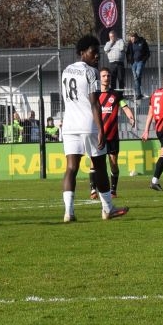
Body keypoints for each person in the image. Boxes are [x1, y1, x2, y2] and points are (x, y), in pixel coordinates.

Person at [56, 34, 125, 224]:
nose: (97, 56)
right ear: (82, 52)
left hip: (69, 124)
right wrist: (101, 128)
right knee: (100, 166)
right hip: (88, 124)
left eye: (97, 53)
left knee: (71, 168)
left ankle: (68, 212)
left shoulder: (66, 71)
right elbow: (95, 103)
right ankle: (108, 208)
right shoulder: (91, 72)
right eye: (93, 52)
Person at [94, 68, 124, 198]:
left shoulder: (116, 95)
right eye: (104, 76)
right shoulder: (94, 94)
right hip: (98, 134)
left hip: (112, 135)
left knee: (113, 163)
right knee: (94, 161)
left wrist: (130, 116)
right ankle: (93, 190)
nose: (106, 78)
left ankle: (113, 190)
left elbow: (124, 105)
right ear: (100, 78)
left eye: (108, 75)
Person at [129, 33, 150, 98]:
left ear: (136, 38)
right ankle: (139, 94)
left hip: (140, 62)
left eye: (133, 39)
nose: (132, 40)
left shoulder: (143, 42)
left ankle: (138, 93)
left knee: (137, 76)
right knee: (136, 78)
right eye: (131, 39)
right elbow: (128, 52)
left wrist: (144, 60)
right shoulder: (130, 44)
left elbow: (148, 52)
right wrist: (130, 61)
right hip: (134, 62)